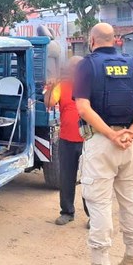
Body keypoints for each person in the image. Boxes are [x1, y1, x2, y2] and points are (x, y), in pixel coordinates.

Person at [72, 23, 133, 265]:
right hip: (128, 146)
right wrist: (129, 133)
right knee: (130, 201)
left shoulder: (87, 65)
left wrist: (110, 135)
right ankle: (132, 260)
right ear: (116, 40)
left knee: (98, 204)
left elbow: (83, 108)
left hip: (101, 143)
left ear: (92, 40)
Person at [44, 56, 88, 226]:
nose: (74, 71)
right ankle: (67, 212)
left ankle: (92, 215)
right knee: (66, 178)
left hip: (89, 140)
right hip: (67, 140)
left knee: (90, 179)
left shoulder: (92, 84)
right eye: (71, 68)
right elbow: (49, 102)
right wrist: (51, 86)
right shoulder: (62, 85)